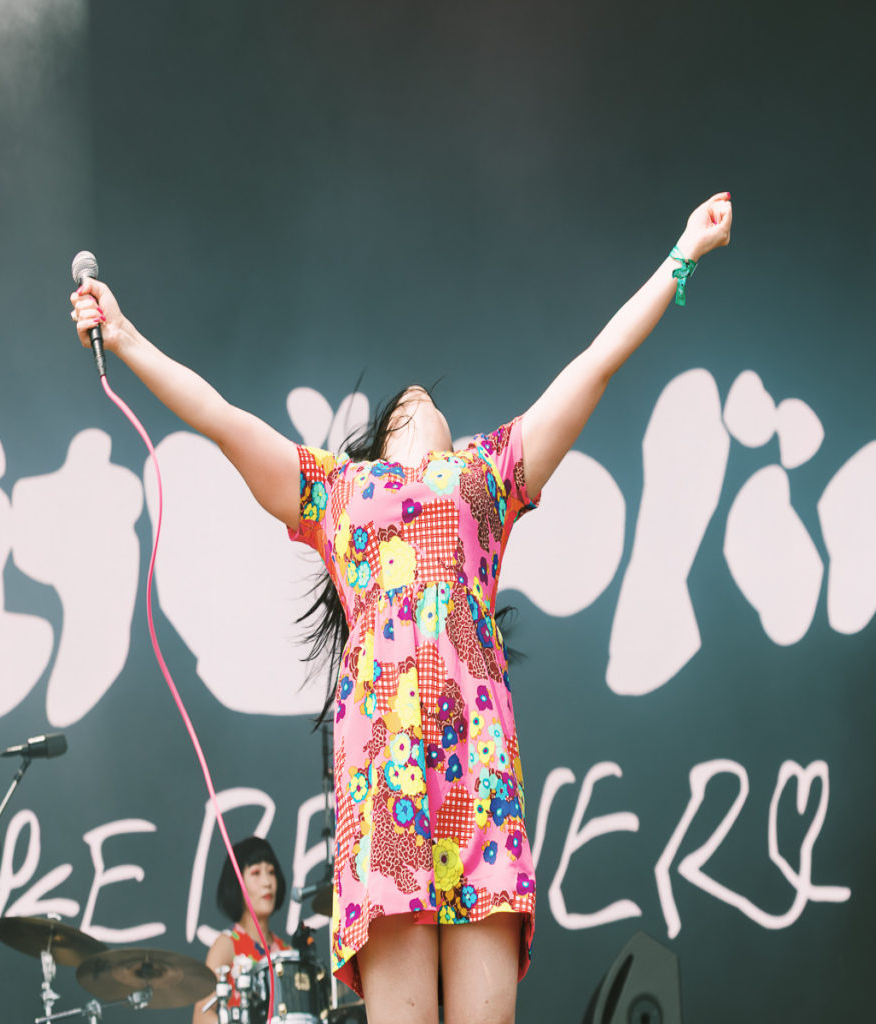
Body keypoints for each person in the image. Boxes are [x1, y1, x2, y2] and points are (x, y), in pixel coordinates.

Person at [71, 192, 732, 1024]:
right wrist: (125, 336)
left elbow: (595, 363)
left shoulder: (492, 473)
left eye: (431, 402)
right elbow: (223, 419)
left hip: (478, 768)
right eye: (403, 403)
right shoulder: (334, 490)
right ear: (381, 438)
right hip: (384, 776)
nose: (419, 396)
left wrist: (683, 253)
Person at [192, 836, 289, 1024]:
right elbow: (201, 1015)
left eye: (271, 872)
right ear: (237, 883)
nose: (267, 882)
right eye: (256, 873)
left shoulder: (287, 953)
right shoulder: (227, 945)